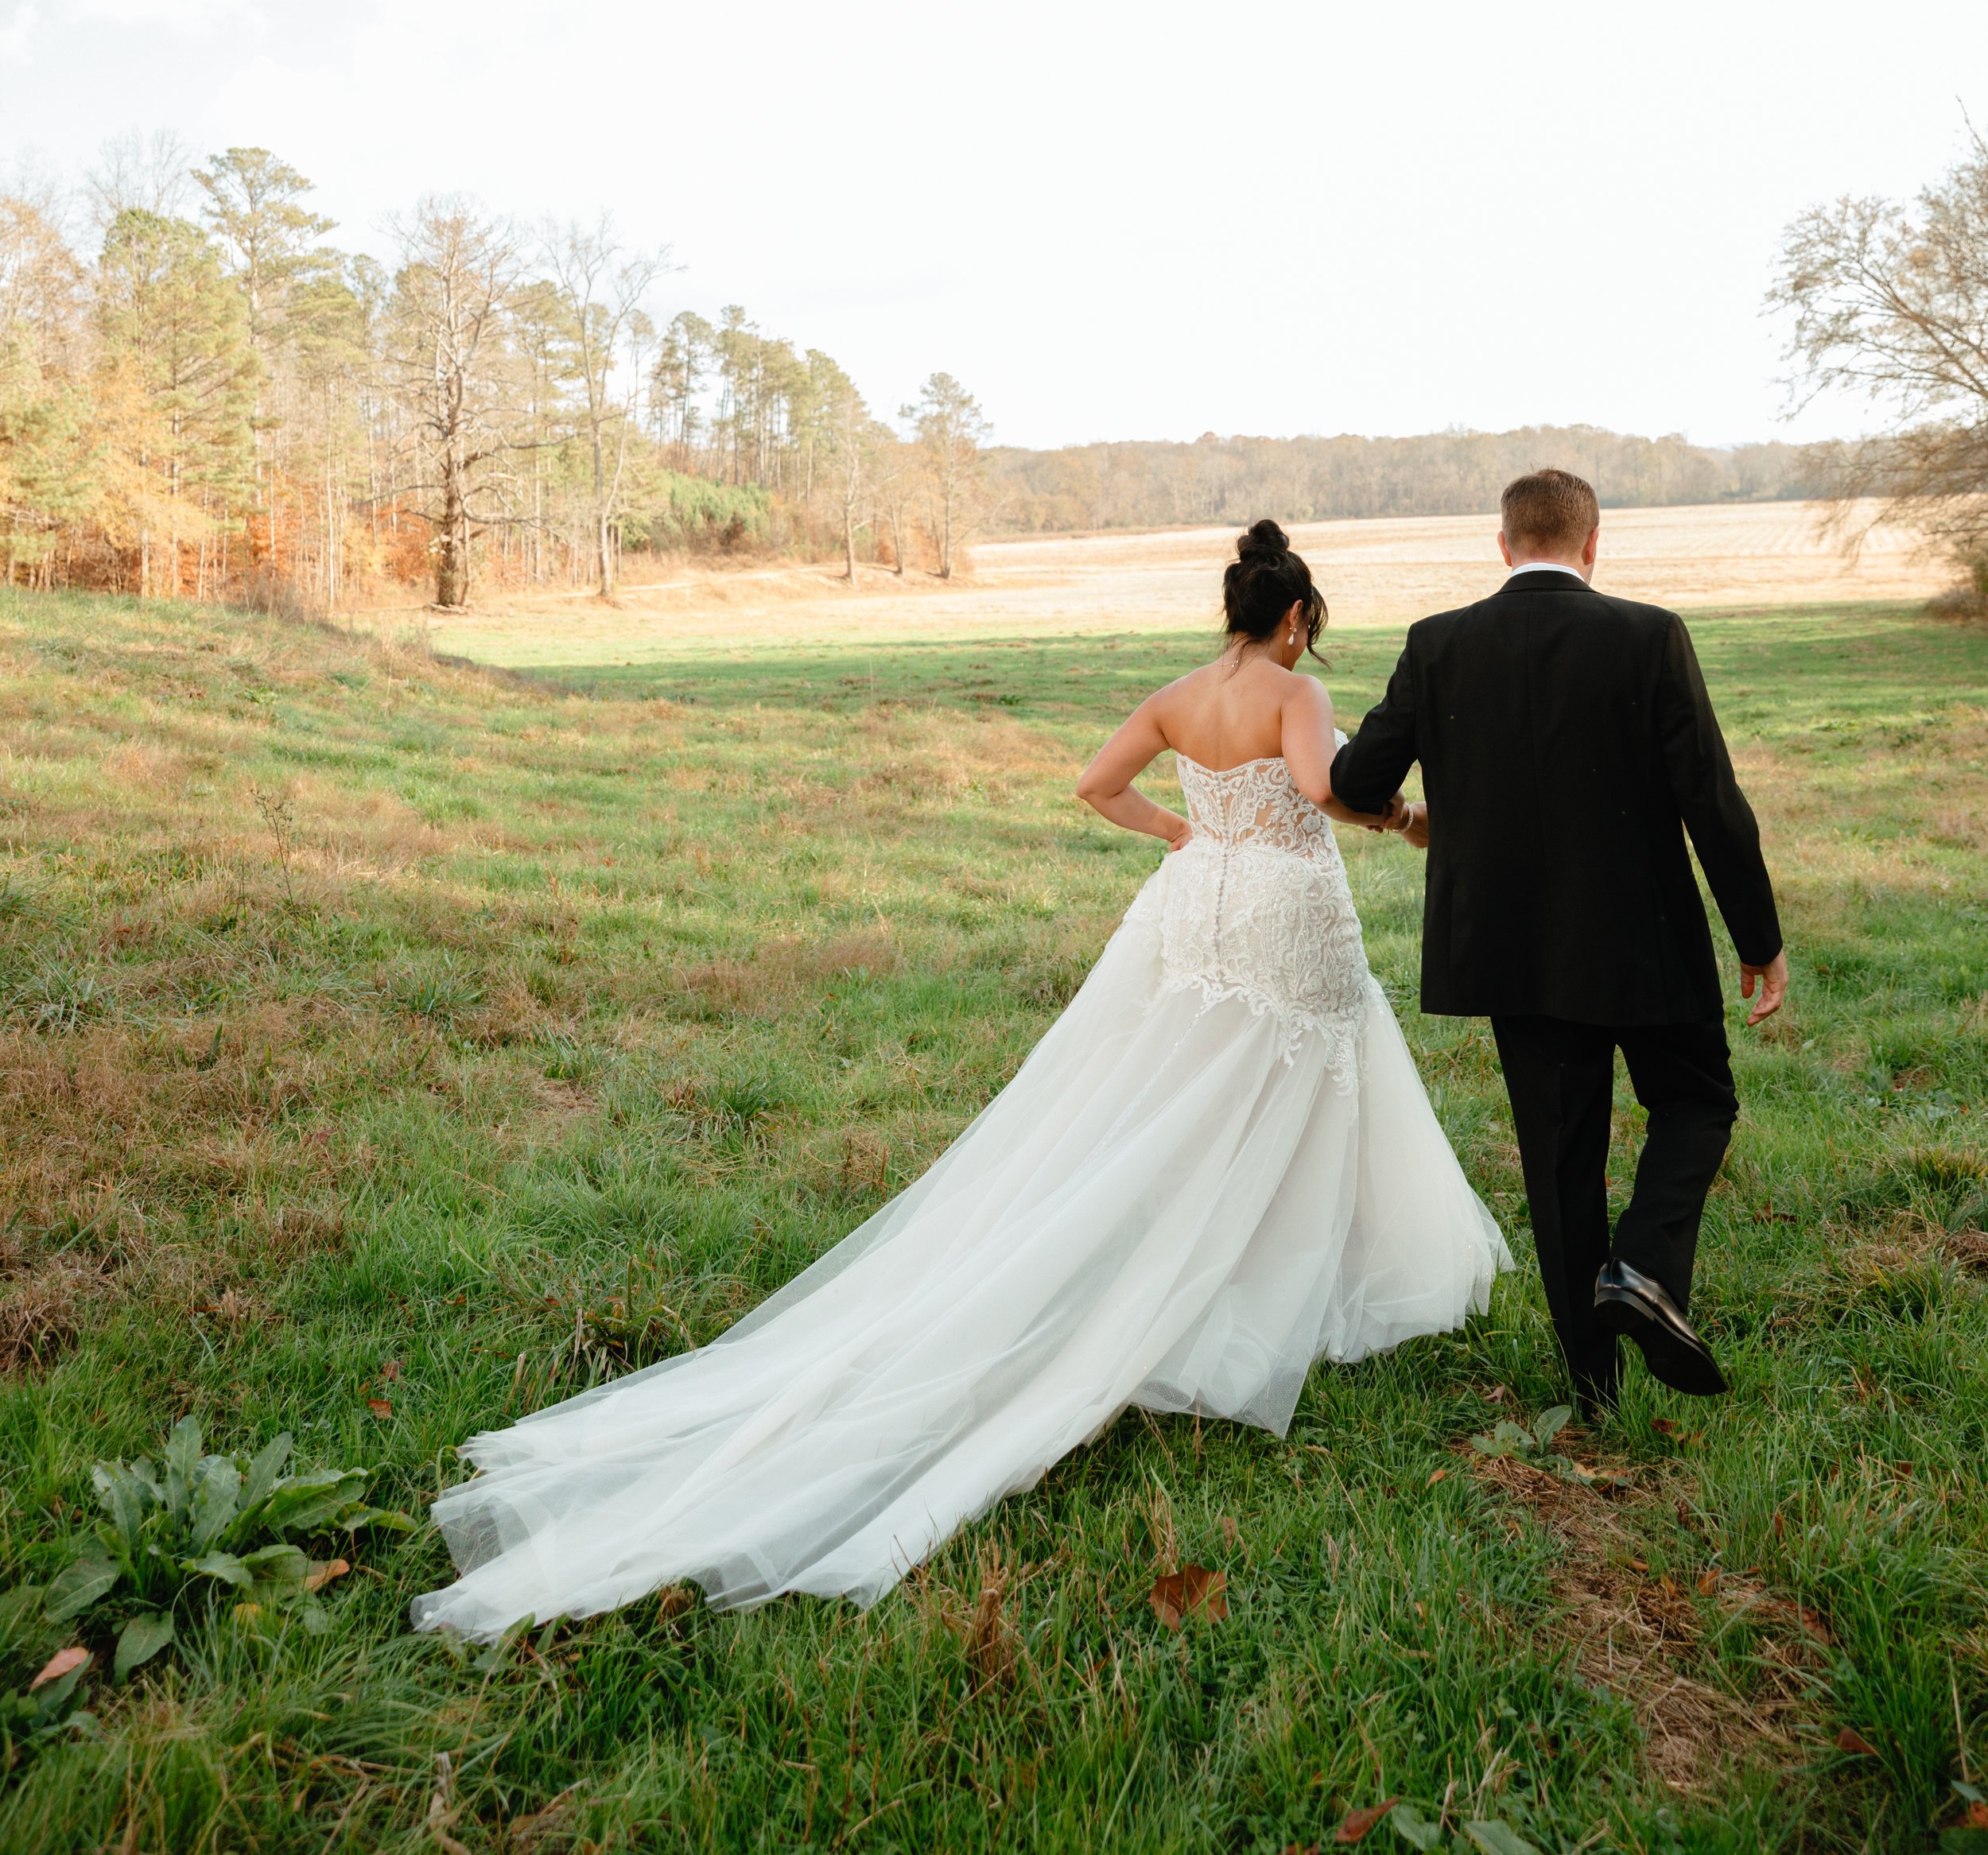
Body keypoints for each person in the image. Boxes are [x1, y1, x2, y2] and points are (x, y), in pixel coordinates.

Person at [412, 522, 1508, 1638]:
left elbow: (1097, 784)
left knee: (1195, 1093)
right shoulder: (1295, 693)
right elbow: (1322, 789)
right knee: (1306, 1081)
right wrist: (1405, 818)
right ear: (1295, 618)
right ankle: (1290, 1285)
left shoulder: (1179, 696)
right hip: (1284, 912)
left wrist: (1184, 832)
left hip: (1200, 910)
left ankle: (1229, 1274)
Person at [1330, 468, 1787, 1414]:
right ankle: (1645, 1265)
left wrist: (1408, 814)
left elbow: (1357, 777)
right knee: (1696, 1101)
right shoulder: (1649, 635)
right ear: (1592, 543)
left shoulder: (1436, 644)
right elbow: (1711, 799)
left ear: (1503, 546)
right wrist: (1758, 938)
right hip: (1645, 941)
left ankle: (1594, 1393)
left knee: (1559, 1160)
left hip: (1508, 951)